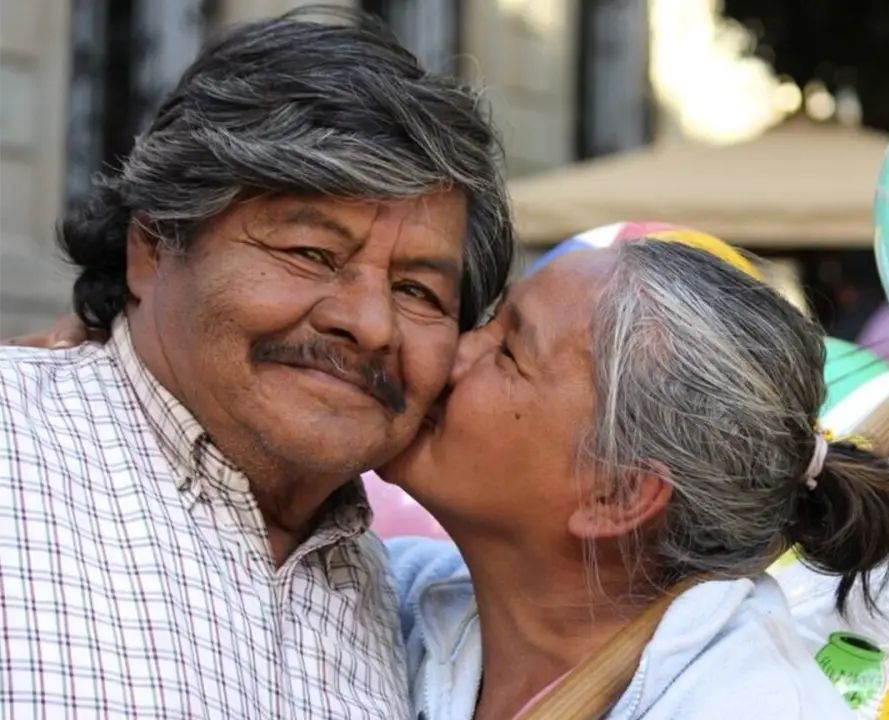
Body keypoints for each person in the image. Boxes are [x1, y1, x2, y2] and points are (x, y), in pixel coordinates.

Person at [0, 7, 512, 718]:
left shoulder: (431, 625)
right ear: (154, 246)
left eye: (417, 291)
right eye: (311, 253)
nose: (369, 324)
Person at [381, 240, 889, 719]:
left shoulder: (749, 707)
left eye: (507, 352)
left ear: (618, 494)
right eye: (489, 320)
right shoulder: (381, 598)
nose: (453, 353)